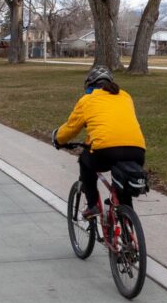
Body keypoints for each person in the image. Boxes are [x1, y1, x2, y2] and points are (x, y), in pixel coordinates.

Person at [52, 65, 146, 218]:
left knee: (84, 161)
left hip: (105, 151)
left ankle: (92, 205)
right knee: (123, 182)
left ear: (90, 84)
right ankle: (127, 222)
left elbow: (71, 127)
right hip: (137, 150)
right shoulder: (126, 96)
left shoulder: (88, 99)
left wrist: (58, 139)